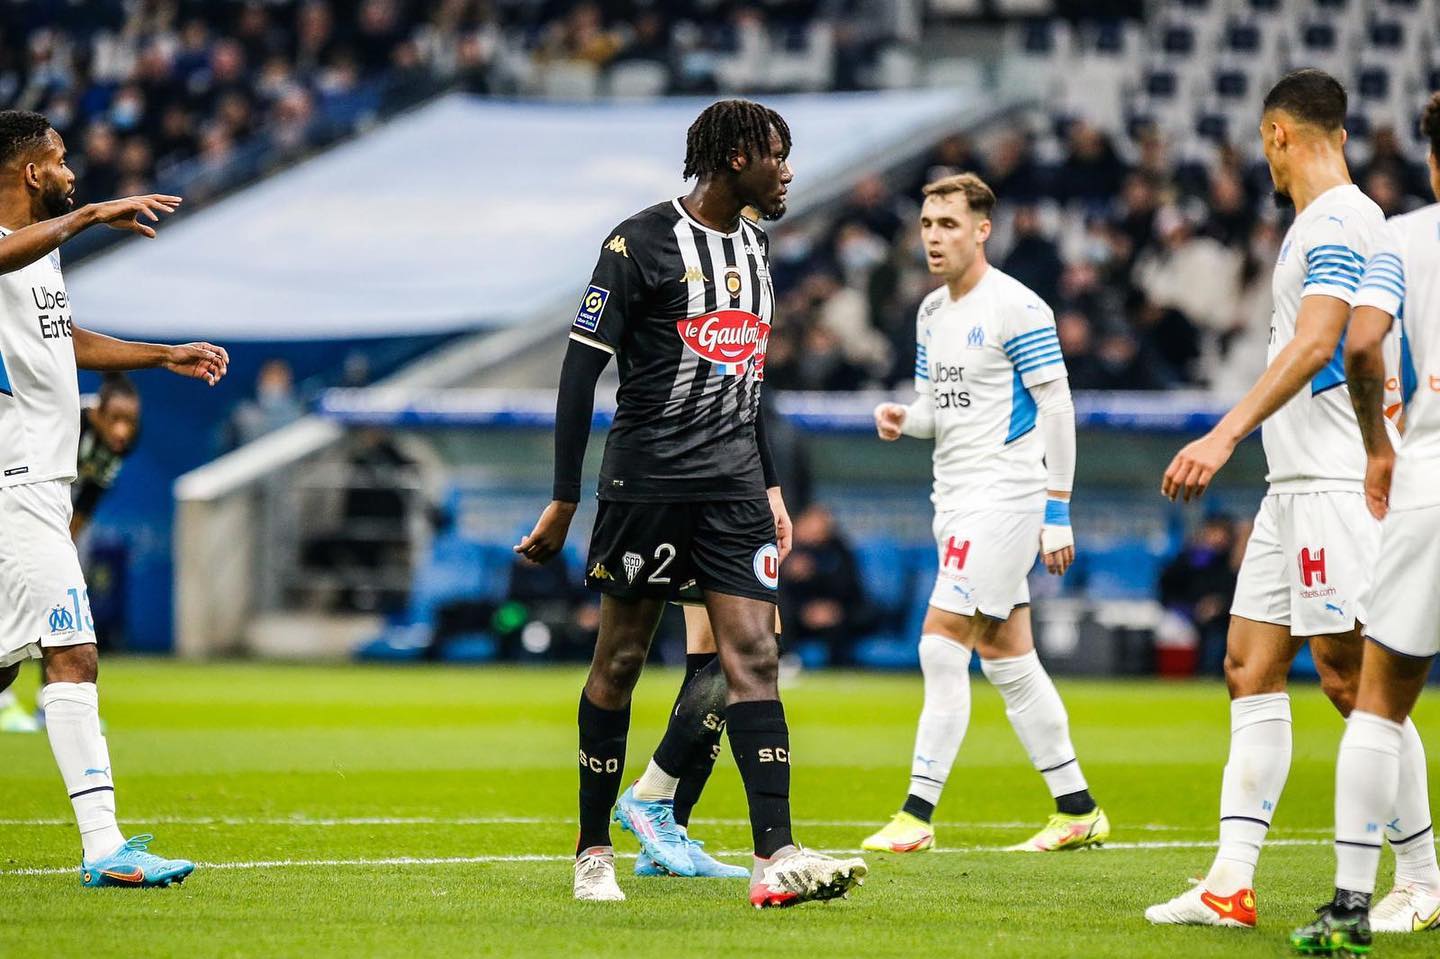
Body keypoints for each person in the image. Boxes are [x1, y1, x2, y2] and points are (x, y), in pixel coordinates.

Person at [514, 99, 866, 907]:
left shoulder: (757, 245)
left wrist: (770, 486)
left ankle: (775, 854)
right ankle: (593, 847)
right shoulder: (636, 243)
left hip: (733, 489)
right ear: (736, 156)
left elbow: (748, 380)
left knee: (754, 656)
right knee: (620, 661)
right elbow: (578, 372)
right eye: (777, 155)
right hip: (648, 483)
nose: (788, 172)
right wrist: (564, 499)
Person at [1146, 69, 1439, 931]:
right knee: (1249, 664)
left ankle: (1422, 878)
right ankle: (1229, 883)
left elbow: (1319, 342)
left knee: (1353, 681)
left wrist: (1222, 434)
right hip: (1293, 486)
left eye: (1264, 145)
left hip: (1337, 483)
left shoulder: (1341, 219)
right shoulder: (1322, 222)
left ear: (1277, 135)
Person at [0, 109, 230, 887]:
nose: (71, 172)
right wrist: (92, 214)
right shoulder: (13, 244)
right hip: (18, 483)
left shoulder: (37, 259)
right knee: (73, 653)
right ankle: (104, 845)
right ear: (32, 171)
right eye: (61, 159)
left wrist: (163, 355)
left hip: (33, 481)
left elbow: (62, 343)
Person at [862, 172, 1109, 855]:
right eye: (926, 224)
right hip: (954, 498)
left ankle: (915, 814)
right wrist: (904, 418)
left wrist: (1057, 509)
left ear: (982, 230)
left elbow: (1057, 406)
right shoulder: (930, 312)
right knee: (1006, 657)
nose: (934, 237)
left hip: (1006, 495)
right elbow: (935, 409)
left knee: (939, 642)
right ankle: (1078, 809)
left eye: (948, 224)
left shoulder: (1017, 307)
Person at [1290, 92, 1440, 953]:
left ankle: (1354, 903)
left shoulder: (1402, 236)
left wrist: (1379, 448)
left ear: (1431, 159)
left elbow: (1358, 344)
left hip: (1426, 472)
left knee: (1377, 700)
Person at [0, 372, 141, 733]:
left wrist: (60, 551)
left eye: (129, 421)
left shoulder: (121, 443)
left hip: (54, 517)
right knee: (10, 602)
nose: (123, 430)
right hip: (14, 502)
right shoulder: (64, 421)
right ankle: (3, 703)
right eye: (115, 419)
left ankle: (50, 704)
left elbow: (88, 500)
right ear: (97, 413)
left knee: (60, 608)